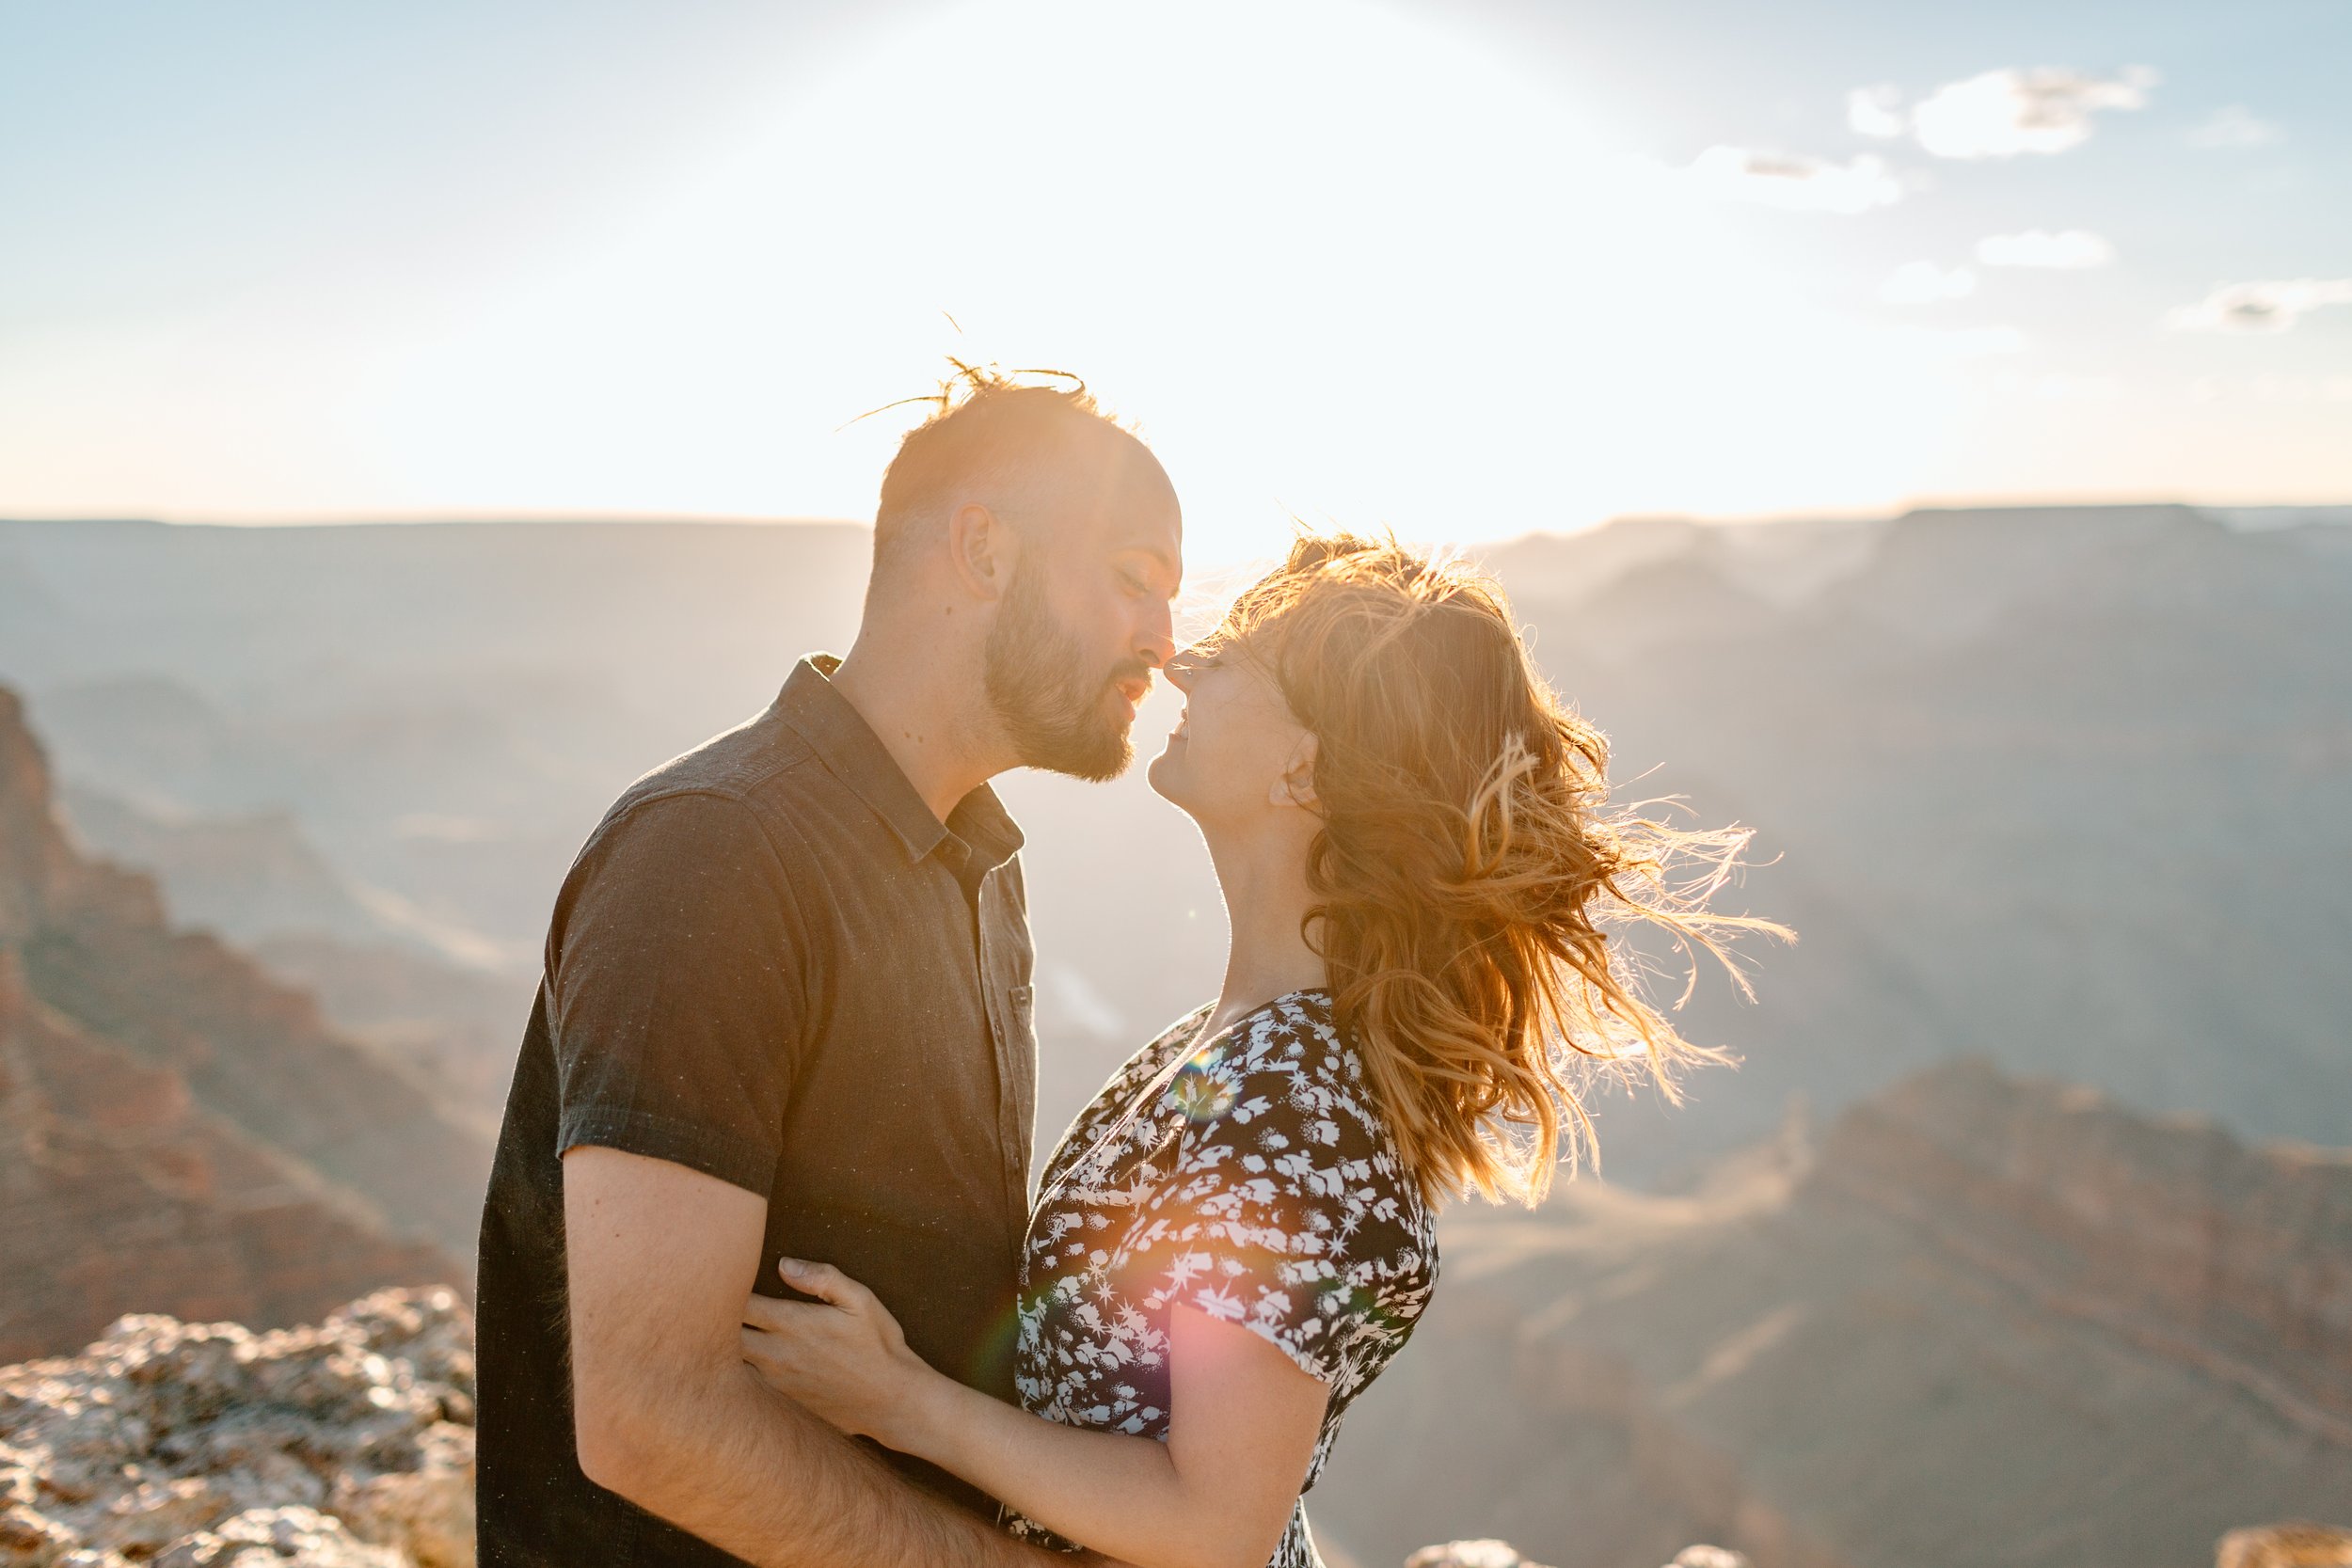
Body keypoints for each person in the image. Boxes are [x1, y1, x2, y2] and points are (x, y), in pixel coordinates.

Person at [739, 533, 1780, 1568]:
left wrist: (903, 1401)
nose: (1182, 662)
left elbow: (1214, 1523)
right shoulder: (1239, 1045)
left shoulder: (1293, 1105)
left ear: (1304, 762)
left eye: (1235, 652)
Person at [474, 368, 1184, 1567]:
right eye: (1133, 580)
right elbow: (652, 1416)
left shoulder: (978, 864)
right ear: (984, 551)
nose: (1164, 645)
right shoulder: (718, 852)